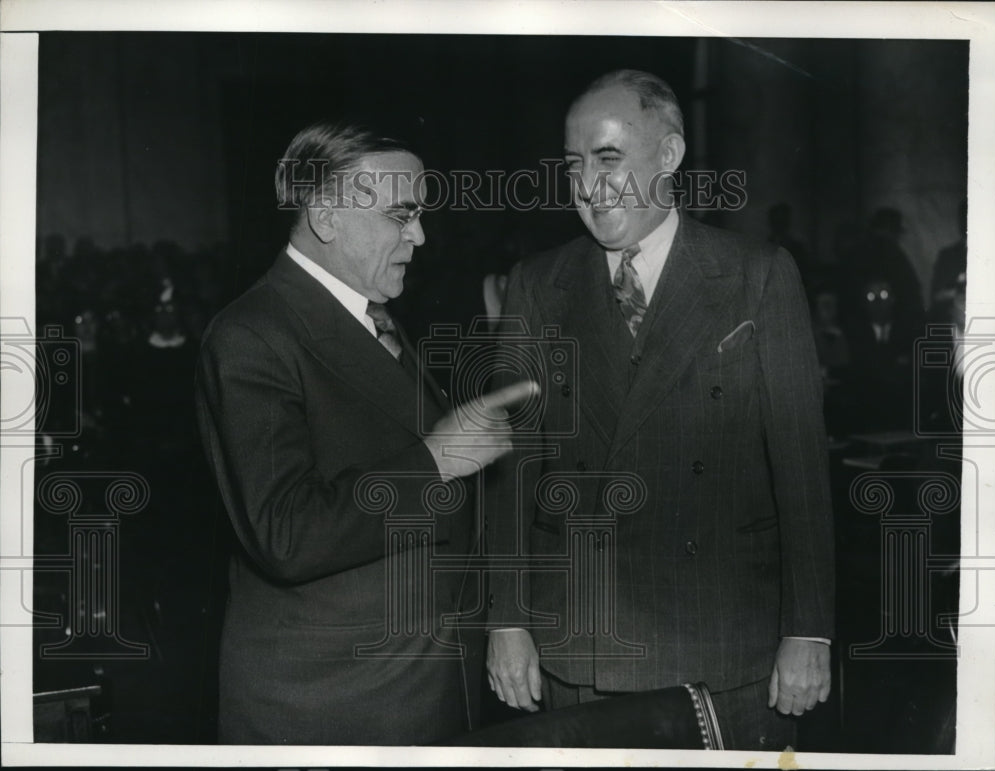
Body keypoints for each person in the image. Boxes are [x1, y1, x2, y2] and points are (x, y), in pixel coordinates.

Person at [485, 70, 835, 751]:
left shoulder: (756, 275)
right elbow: (513, 471)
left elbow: (801, 465)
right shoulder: (538, 283)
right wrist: (507, 619)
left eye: (608, 158)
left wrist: (808, 628)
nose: (588, 185)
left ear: (669, 155)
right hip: (580, 639)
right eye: (573, 166)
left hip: (726, 646)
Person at [195, 121, 535, 744]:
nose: (421, 236)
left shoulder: (368, 315)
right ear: (327, 216)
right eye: (401, 216)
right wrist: (434, 461)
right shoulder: (251, 335)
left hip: (415, 686)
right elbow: (285, 533)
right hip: (334, 703)